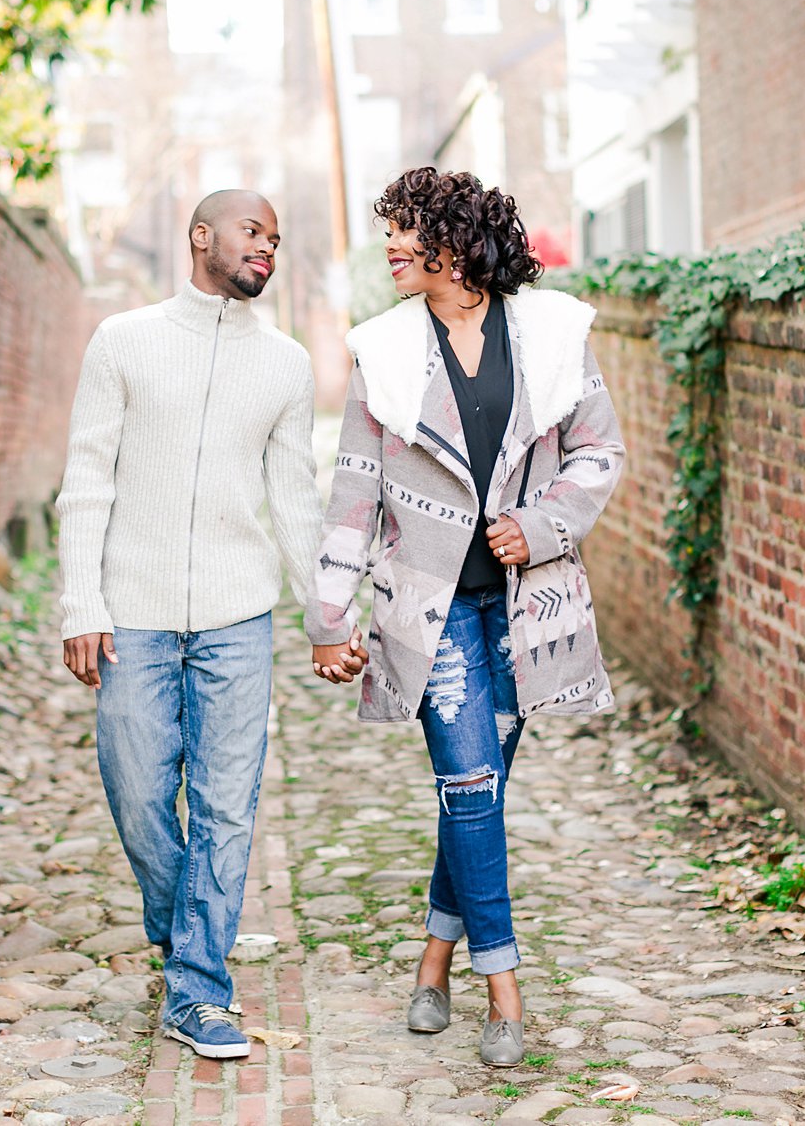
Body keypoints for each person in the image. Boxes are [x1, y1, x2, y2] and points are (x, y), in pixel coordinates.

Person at [305, 167, 625, 1068]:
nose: (392, 247)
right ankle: (506, 992)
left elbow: (602, 448)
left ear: (457, 240)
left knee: (473, 794)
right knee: (473, 785)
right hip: (430, 611)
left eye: (408, 231)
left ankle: (433, 963)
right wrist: (329, 617)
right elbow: (351, 493)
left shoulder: (554, 334)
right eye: (391, 232)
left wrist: (544, 522)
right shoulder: (386, 353)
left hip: (529, 609)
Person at [55, 190, 352, 1058]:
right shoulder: (125, 342)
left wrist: (325, 616)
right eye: (253, 231)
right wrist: (84, 601)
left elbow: (296, 498)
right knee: (140, 790)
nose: (268, 247)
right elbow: (87, 478)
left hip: (236, 618)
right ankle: (184, 921)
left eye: (275, 237)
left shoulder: (286, 363)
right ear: (202, 237)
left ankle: (197, 989)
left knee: (227, 806)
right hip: (133, 615)